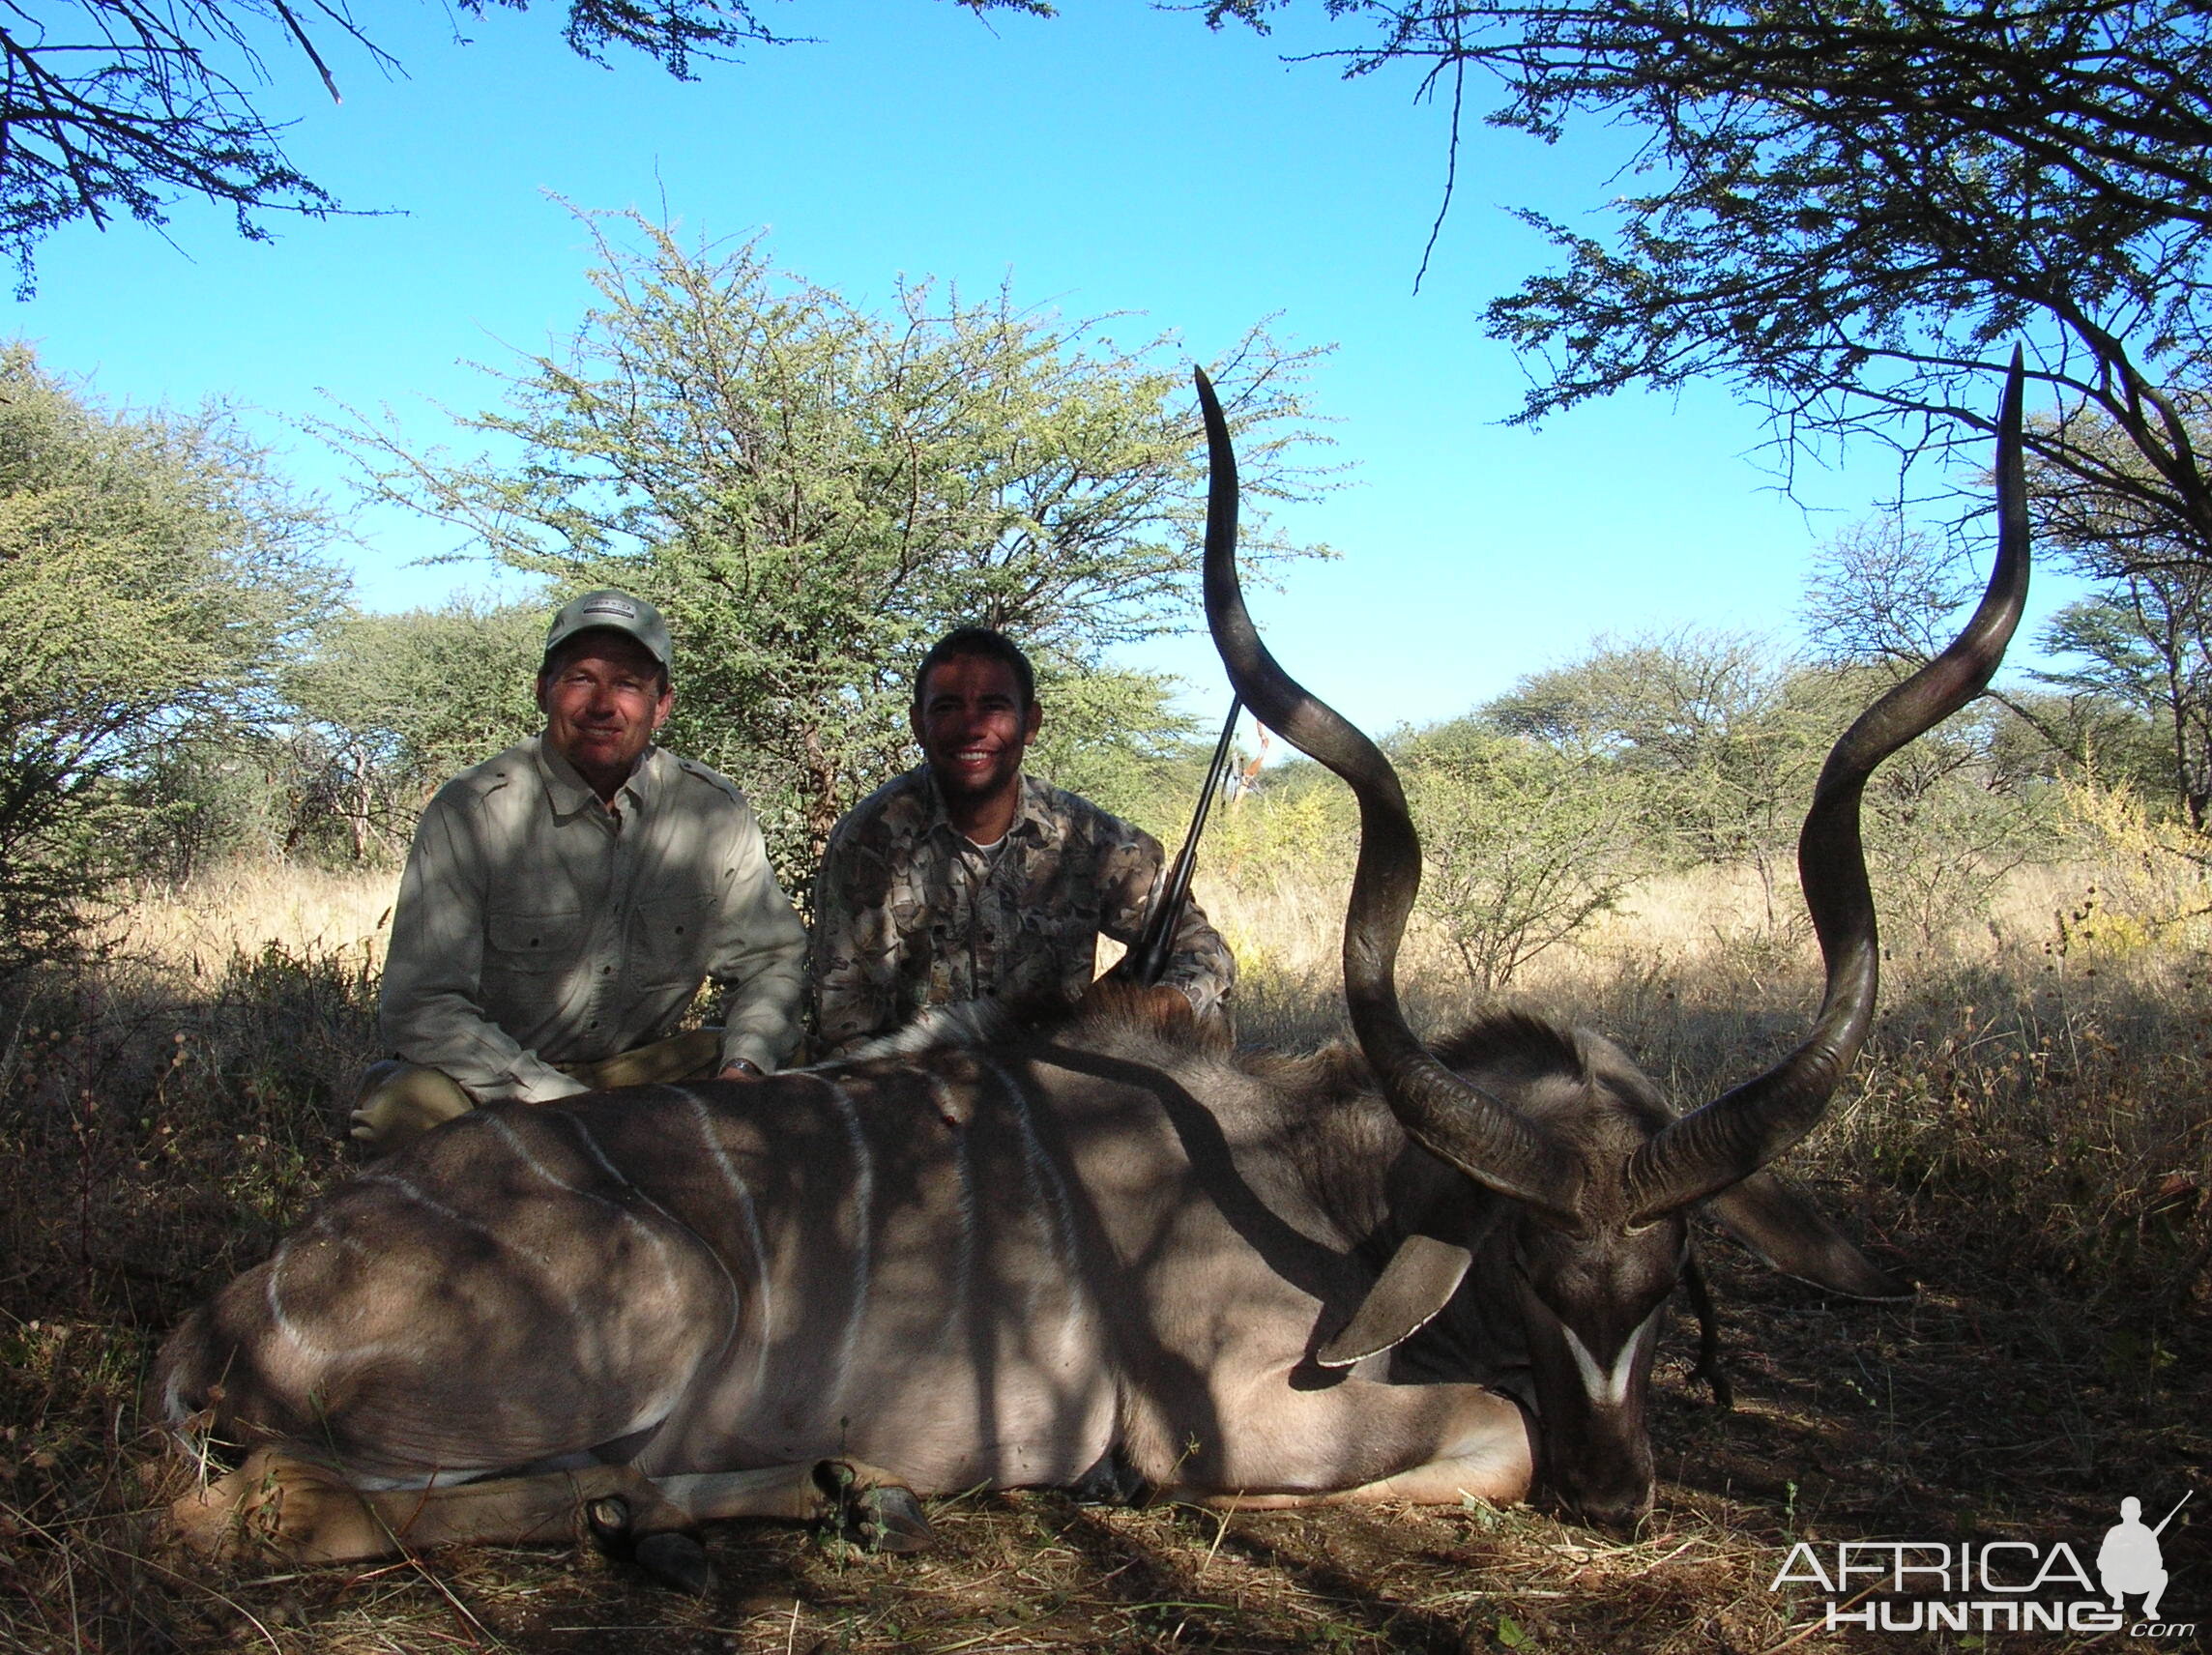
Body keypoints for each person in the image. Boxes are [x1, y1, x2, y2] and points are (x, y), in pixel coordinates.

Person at [352, 589, 809, 1150]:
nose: (602, 705)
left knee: (804, 1067)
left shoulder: (711, 808)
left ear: (661, 704)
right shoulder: (473, 810)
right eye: (581, 679)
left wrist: (743, 1071)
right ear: (543, 691)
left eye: (628, 684)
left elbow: (771, 962)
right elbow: (423, 1007)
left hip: (642, 1070)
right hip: (505, 1080)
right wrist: (564, 1104)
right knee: (402, 1109)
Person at [810, 625, 1235, 1057]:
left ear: (1030, 723)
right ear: (919, 725)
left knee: (1206, 1021)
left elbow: (1205, 951)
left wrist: (1156, 1008)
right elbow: (846, 1026)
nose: (973, 728)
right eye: (948, 707)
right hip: (919, 1080)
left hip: (1051, 1077)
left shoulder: (1090, 837)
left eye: (994, 707)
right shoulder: (869, 841)